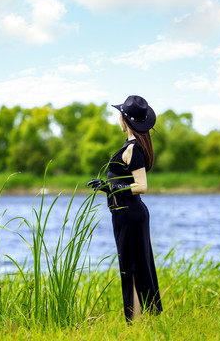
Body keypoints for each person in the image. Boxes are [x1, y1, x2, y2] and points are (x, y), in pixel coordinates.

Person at [87, 95, 162, 323]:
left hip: (129, 214)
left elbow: (142, 186)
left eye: (120, 114)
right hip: (126, 214)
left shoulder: (133, 149)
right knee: (134, 267)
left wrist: (111, 187)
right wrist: (110, 188)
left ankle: (134, 324)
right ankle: (138, 322)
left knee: (130, 269)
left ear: (124, 119)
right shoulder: (132, 146)